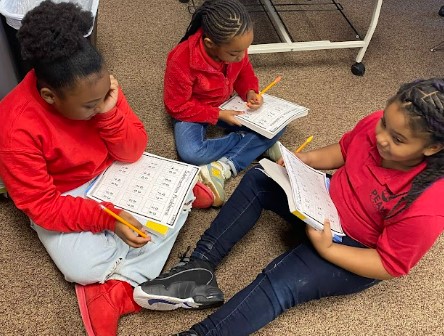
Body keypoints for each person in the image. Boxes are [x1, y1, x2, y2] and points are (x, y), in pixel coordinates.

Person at [134, 78, 444, 335]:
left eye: (398, 139)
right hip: (322, 201)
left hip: (354, 248)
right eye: (385, 124)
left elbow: (388, 264)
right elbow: (344, 150)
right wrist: (304, 161)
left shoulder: (428, 202)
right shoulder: (379, 124)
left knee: (281, 279)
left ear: (431, 148)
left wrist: (329, 251)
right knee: (260, 176)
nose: (381, 138)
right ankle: (199, 267)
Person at [0, 1, 213, 335]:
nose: (99, 105)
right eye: (89, 106)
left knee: (167, 198)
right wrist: (108, 219)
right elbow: (41, 206)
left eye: (104, 96)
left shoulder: (99, 88)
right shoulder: (13, 124)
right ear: (49, 96)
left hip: (112, 170)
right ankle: (126, 275)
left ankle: (117, 287)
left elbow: (132, 151)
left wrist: (110, 114)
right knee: (84, 267)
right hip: (63, 193)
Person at [164, 0, 284, 207]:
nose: (240, 56)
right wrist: (217, 115)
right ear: (210, 44)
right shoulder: (181, 59)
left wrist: (250, 91)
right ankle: (254, 142)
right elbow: (176, 106)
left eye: (244, 50)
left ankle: (236, 156)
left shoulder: (235, 48)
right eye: (234, 53)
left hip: (229, 102)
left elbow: (244, 71)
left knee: (280, 122)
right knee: (191, 153)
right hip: (194, 109)